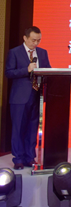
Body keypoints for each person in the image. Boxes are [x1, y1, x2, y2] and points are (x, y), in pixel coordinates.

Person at [5, 27, 51, 170]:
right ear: (25, 38)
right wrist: (26, 69)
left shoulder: (42, 52)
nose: (35, 43)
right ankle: (18, 159)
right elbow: (9, 72)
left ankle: (30, 157)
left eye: (38, 40)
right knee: (18, 128)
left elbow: (48, 70)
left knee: (32, 129)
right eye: (33, 40)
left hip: (37, 96)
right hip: (19, 98)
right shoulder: (15, 52)